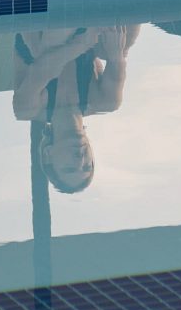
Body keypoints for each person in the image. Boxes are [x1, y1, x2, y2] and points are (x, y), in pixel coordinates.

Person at [12, 23, 140, 192]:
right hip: (87, 30)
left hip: (43, 26)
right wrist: (113, 46)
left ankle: (67, 3)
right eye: (87, 166)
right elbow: (118, 60)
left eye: (69, 168)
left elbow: (43, 67)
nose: (80, 159)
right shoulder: (104, 101)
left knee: (46, 48)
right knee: (122, 44)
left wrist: (85, 42)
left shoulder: (27, 109)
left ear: (48, 154)